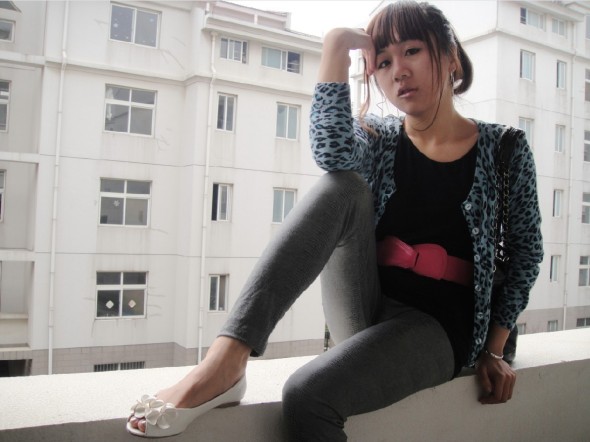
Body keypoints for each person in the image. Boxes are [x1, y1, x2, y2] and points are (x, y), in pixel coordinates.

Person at [126, 1, 543, 439]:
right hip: (366, 305)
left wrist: (495, 349)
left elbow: (526, 254)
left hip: (440, 327)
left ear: (451, 56)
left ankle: (226, 366)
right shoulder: (380, 138)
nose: (398, 71)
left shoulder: (504, 149)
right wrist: (335, 47)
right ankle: (225, 360)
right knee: (341, 185)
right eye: (383, 62)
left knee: (306, 396)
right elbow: (332, 152)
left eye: (412, 51)